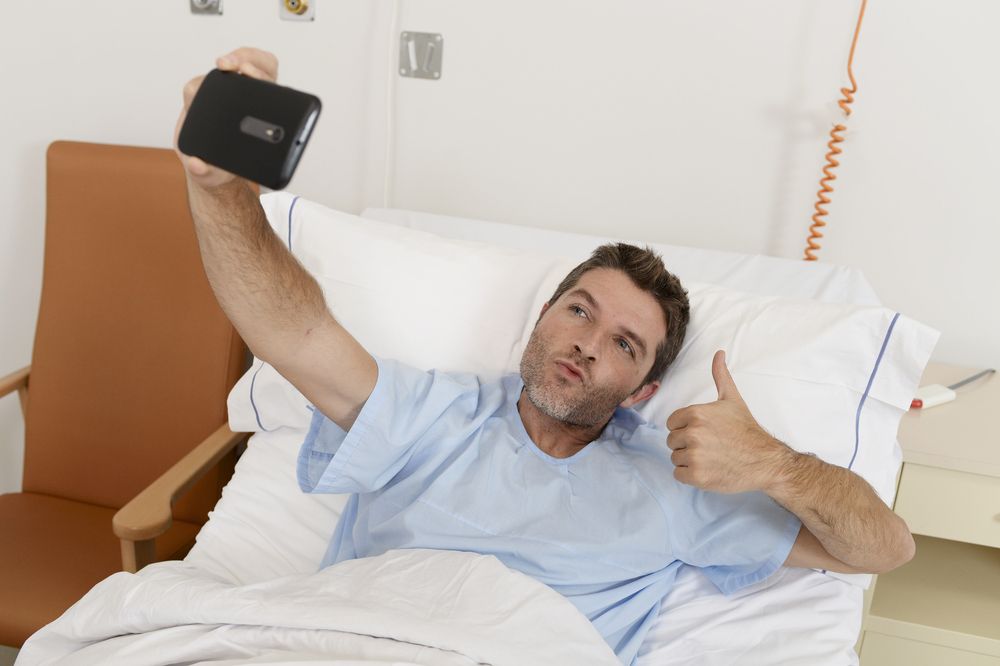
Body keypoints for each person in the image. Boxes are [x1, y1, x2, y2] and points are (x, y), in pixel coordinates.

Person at [176, 48, 916, 665]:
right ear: (542, 321)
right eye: (579, 311)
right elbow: (291, 332)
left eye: (623, 344)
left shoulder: (678, 485)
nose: (587, 344)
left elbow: (883, 550)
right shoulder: (432, 413)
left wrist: (777, 466)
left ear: (641, 392)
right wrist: (220, 191)